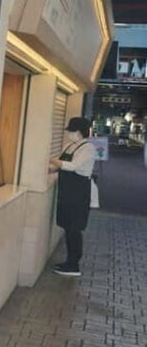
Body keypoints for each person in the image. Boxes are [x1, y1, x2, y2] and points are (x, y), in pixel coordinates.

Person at [49, 117, 96, 276]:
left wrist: (53, 161)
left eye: (72, 131)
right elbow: (59, 166)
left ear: (80, 132)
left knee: (74, 229)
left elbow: (72, 166)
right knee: (67, 227)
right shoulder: (69, 146)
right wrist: (51, 168)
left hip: (78, 194)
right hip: (66, 193)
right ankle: (69, 262)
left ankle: (73, 264)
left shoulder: (88, 148)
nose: (70, 133)